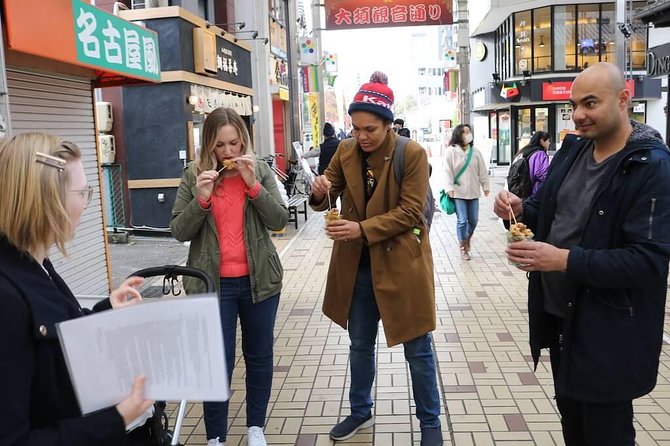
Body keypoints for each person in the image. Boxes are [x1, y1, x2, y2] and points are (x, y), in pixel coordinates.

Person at [493, 62, 670, 446]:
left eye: (590, 103)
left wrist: (563, 260)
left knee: (607, 435)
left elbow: (649, 260)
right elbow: (549, 214)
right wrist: (520, 210)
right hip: (561, 322)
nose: (578, 114)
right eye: (574, 104)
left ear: (624, 99)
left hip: (609, 333)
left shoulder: (650, 166)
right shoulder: (573, 151)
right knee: (574, 428)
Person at [309, 72, 443, 446]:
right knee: (359, 344)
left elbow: (411, 212)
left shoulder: (411, 154)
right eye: (356, 128)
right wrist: (318, 190)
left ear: (389, 124)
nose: (361, 136)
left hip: (402, 266)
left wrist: (361, 229)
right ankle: (360, 410)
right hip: (357, 270)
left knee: (418, 349)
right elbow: (326, 193)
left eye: (370, 129)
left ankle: (430, 423)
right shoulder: (346, 151)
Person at [0, 133, 153, 446]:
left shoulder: (37, 263)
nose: (86, 204)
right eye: (82, 192)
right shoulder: (6, 296)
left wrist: (107, 310)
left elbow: (59, 334)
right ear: (46, 198)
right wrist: (118, 417)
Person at [170, 107, 288, 446]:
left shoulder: (260, 170)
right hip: (212, 284)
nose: (229, 153)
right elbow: (179, 229)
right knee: (216, 361)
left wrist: (253, 186)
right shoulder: (194, 174)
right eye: (220, 146)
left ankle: (255, 429)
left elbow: (279, 219)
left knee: (259, 356)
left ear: (243, 140)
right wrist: (201, 199)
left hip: (259, 281)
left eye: (234, 143)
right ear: (209, 145)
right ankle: (216, 437)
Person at [443, 124, 490, 260]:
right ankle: (463, 248)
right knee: (462, 220)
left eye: (469, 132)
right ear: (458, 135)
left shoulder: (475, 152)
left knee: (473, 220)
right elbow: (447, 171)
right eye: (465, 132)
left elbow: (482, 171)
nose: (468, 134)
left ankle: (467, 238)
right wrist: (449, 188)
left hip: (473, 191)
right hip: (458, 192)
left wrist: (485, 186)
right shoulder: (451, 151)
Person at [510, 131, 551, 199]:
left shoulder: (524, 151)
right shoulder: (540, 154)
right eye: (548, 141)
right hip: (533, 191)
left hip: (521, 189)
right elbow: (542, 174)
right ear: (542, 141)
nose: (549, 143)